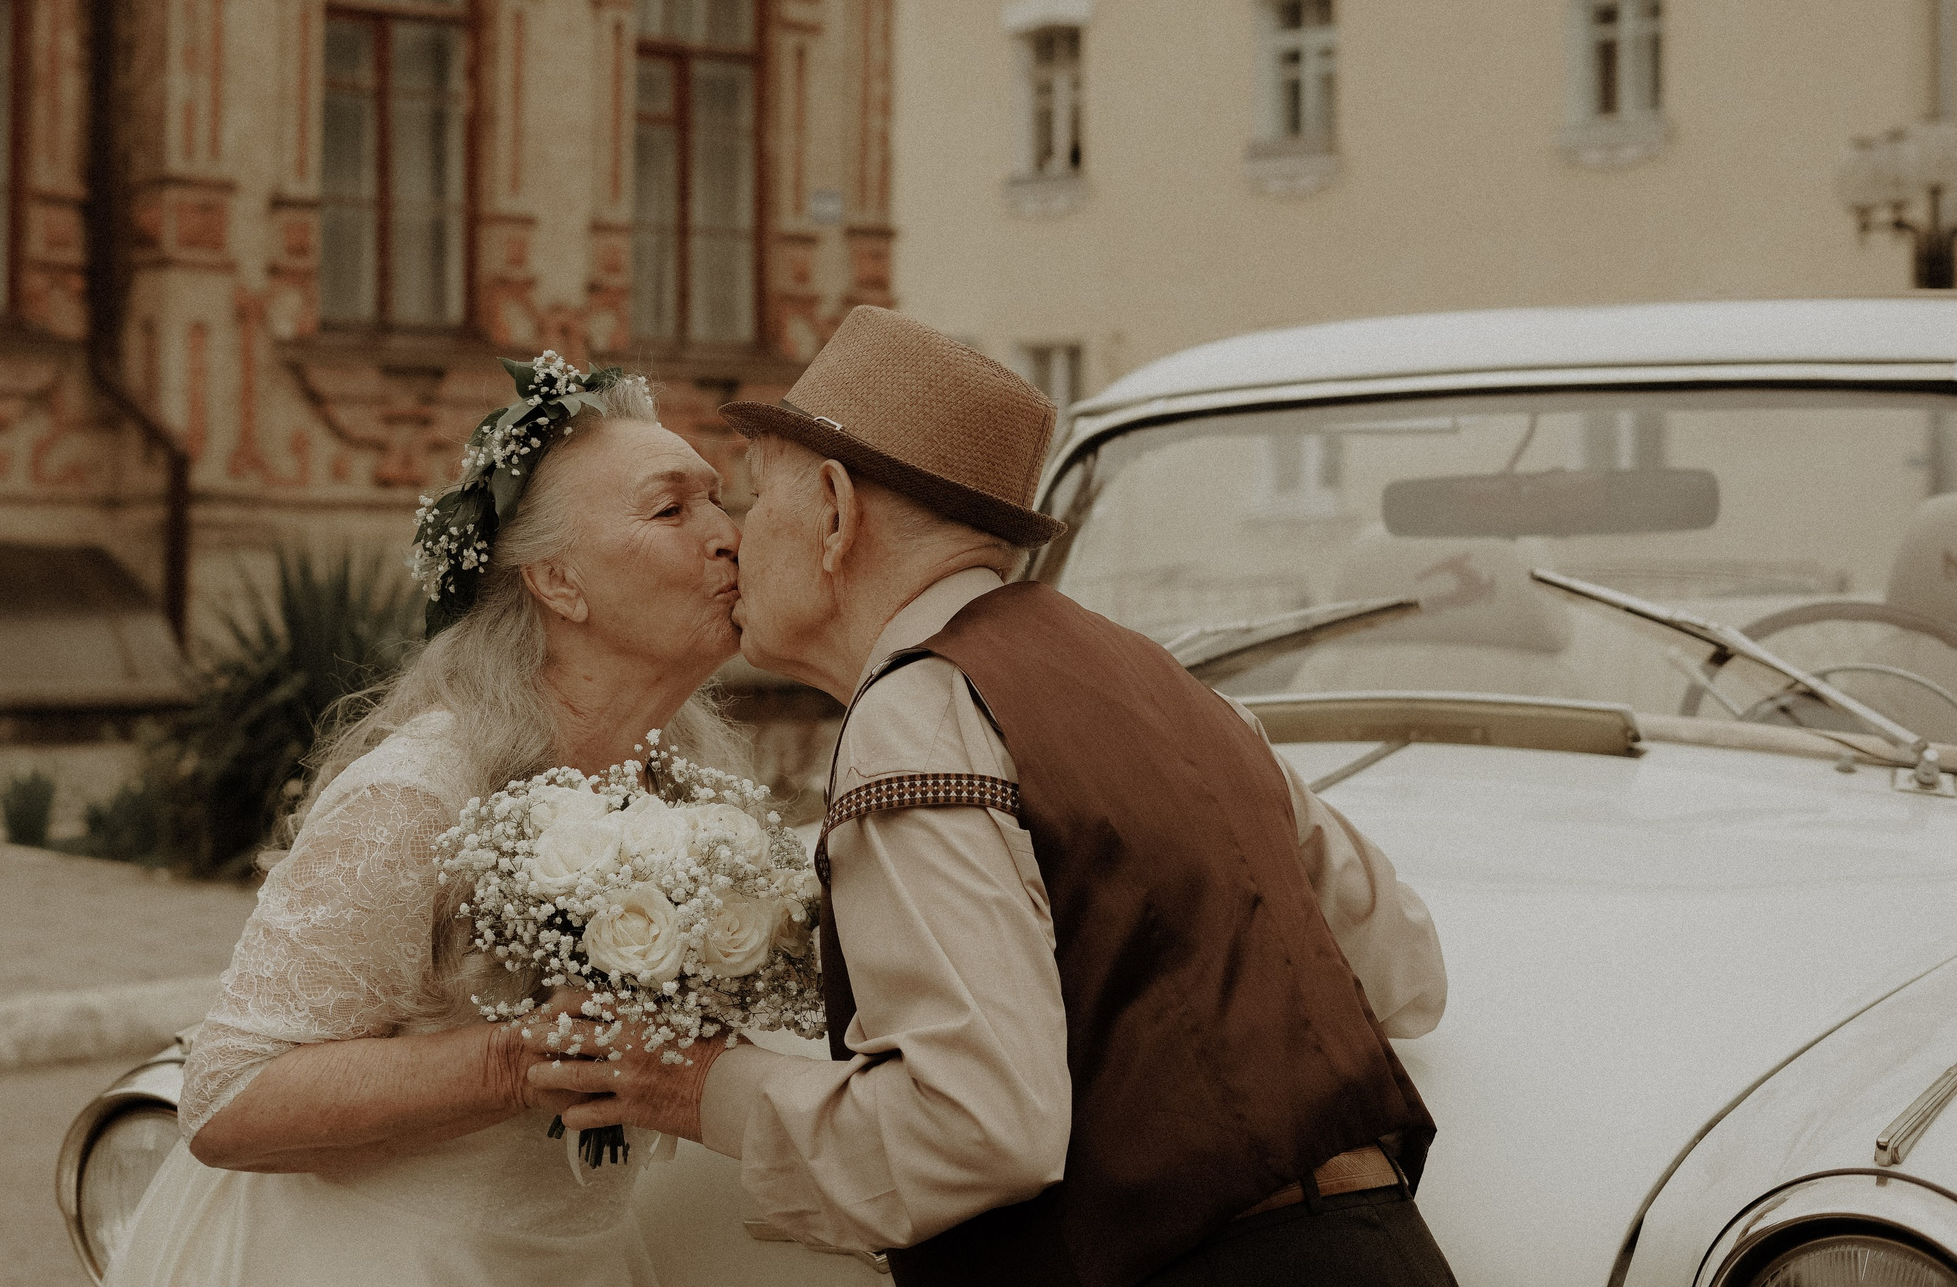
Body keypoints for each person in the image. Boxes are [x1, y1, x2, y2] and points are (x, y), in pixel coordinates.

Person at [528, 306, 1459, 1287]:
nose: (737, 539)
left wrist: (693, 1086)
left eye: (757, 496)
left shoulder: (918, 717)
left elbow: (974, 1130)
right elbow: (1402, 962)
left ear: (837, 513)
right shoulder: (1155, 676)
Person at [103, 355, 745, 1286]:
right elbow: (226, 1098)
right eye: (673, 509)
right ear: (559, 581)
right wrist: (512, 1063)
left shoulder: (699, 793)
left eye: (722, 500)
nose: (731, 536)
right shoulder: (420, 792)